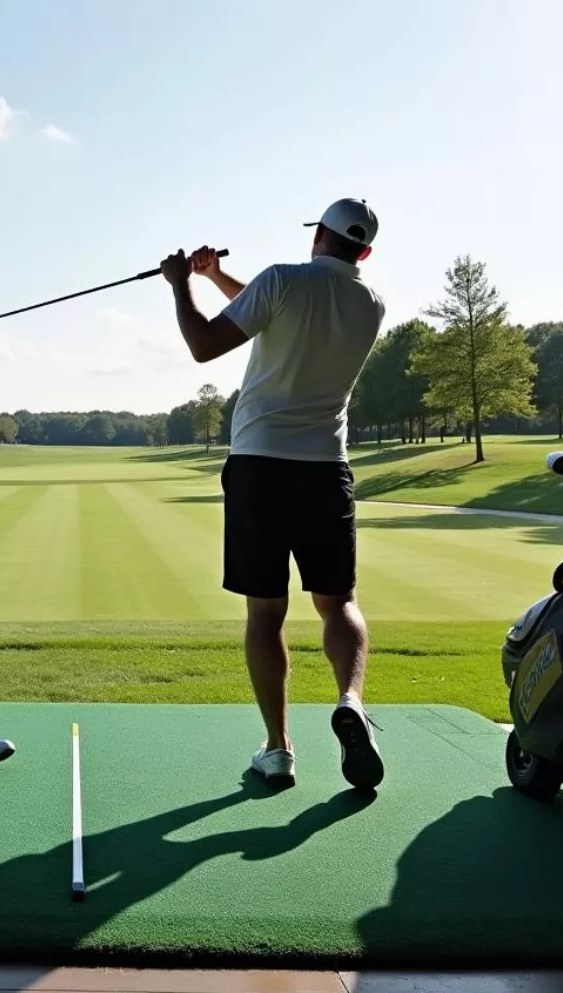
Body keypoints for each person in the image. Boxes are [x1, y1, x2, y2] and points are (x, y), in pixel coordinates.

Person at [159, 199, 386, 791]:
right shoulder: (370, 303)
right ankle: (352, 699)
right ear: (362, 251)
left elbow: (206, 343)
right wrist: (215, 277)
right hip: (325, 470)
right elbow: (278, 308)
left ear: (318, 237)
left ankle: (279, 749)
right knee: (338, 603)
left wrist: (182, 286)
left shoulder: (282, 280)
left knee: (266, 614)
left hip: (260, 465)